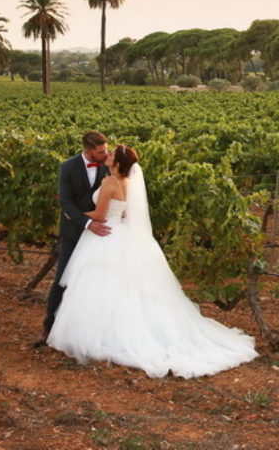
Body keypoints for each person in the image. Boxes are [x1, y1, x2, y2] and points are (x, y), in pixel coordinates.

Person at [46, 144, 258, 378]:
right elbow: (124, 210)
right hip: (122, 233)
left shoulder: (109, 182)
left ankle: (104, 335)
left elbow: (99, 215)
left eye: (112, 154)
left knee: (103, 286)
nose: (107, 155)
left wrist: (72, 215)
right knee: (124, 289)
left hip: (106, 234)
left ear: (117, 163)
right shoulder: (126, 182)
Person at [36, 131, 111, 347]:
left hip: (101, 235)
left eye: (106, 150)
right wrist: (89, 223)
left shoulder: (108, 165)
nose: (105, 154)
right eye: (101, 151)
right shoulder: (67, 167)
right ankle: (48, 328)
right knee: (63, 279)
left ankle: (90, 332)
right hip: (74, 232)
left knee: (97, 282)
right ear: (88, 151)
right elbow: (66, 203)